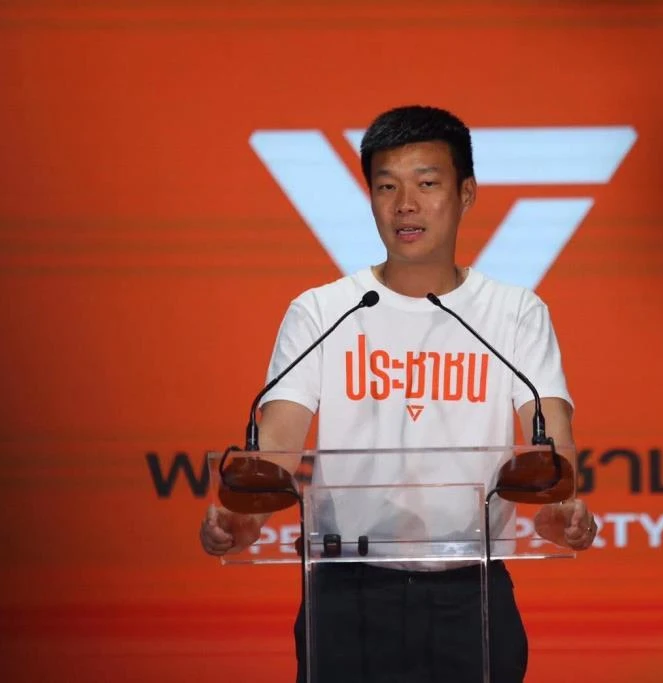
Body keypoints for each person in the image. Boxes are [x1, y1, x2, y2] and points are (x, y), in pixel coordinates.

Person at [199, 105, 597, 682]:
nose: (405, 204)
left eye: (426, 184)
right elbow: (278, 446)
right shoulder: (323, 311)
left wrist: (560, 508)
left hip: (471, 594)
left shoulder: (514, 312)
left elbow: (552, 445)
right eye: (387, 187)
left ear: (465, 194)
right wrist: (244, 516)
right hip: (348, 593)